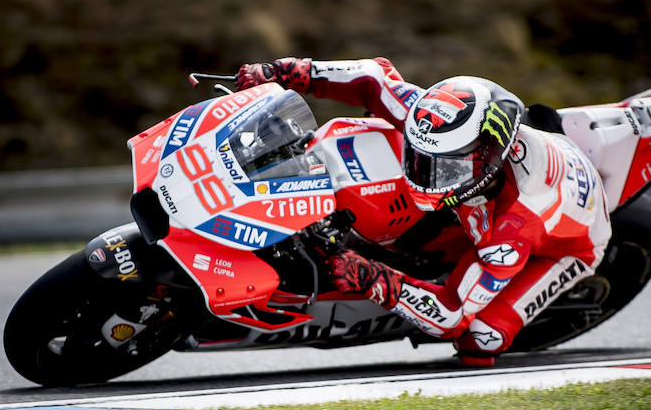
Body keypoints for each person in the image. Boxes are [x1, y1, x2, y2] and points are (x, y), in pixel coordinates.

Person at [236, 57, 611, 366]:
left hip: (566, 246)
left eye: (443, 169)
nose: (423, 176)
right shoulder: (447, 128)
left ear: (487, 160)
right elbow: (375, 77)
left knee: (480, 340)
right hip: (509, 185)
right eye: (418, 158)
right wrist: (289, 73)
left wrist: (371, 277)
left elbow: (450, 314)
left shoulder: (513, 230)